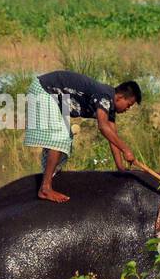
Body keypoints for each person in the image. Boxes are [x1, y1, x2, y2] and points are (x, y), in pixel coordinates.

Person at [23, 70, 142, 202]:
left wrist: (121, 169)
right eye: (129, 105)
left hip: (57, 96)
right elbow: (103, 127)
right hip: (45, 89)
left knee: (66, 139)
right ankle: (45, 188)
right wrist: (126, 150)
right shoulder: (105, 96)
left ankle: (46, 180)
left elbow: (112, 135)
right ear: (120, 97)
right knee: (60, 138)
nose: (127, 109)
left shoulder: (110, 106)